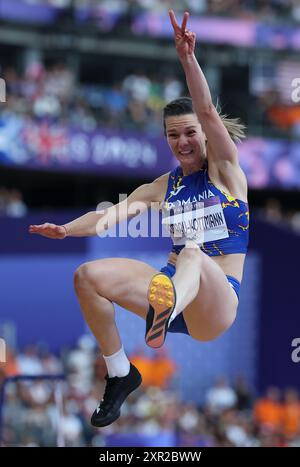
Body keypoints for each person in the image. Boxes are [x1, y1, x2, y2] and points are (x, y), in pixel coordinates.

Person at [29, 10, 249, 428]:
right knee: (87, 276)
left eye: (189, 132)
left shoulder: (226, 171)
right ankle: (119, 373)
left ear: (205, 133)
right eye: (172, 135)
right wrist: (65, 229)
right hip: (167, 290)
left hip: (214, 305)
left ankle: (164, 310)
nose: (182, 142)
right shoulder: (161, 185)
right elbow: (107, 218)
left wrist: (187, 58)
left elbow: (204, 107)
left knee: (192, 254)